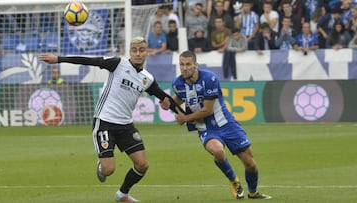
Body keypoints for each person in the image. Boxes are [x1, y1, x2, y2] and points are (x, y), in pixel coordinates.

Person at [39, 37, 184, 203]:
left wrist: (184, 115)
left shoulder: (147, 78)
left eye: (141, 50)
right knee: (108, 170)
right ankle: (101, 165)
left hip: (126, 125)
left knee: (142, 165)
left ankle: (122, 194)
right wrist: (58, 59)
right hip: (105, 122)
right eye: (134, 50)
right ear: (130, 52)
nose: (137, 54)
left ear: (147, 52)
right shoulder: (117, 64)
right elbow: (89, 61)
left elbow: (164, 98)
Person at [159, 50, 272, 200]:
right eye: (181, 64)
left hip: (226, 123)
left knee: (250, 163)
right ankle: (234, 181)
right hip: (205, 128)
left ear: (195, 65)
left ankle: (253, 192)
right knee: (218, 151)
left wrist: (185, 118)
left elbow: (207, 109)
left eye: (188, 64)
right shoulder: (177, 84)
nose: (184, 68)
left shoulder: (209, 78)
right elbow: (178, 99)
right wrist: (168, 104)